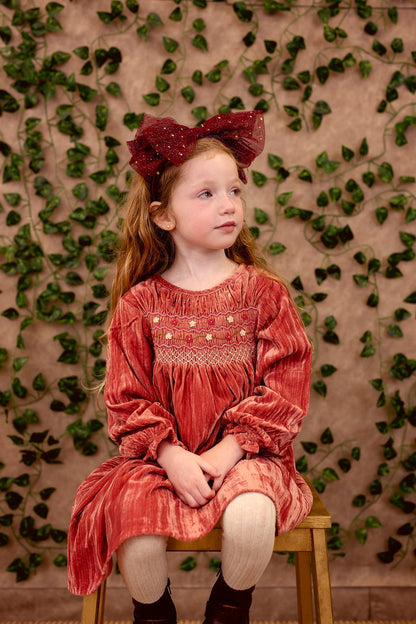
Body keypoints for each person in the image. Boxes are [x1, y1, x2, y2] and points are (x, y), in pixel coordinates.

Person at [67, 110, 313, 624]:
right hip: (159, 460)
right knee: (135, 529)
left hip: (248, 456)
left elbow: (285, 388)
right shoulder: (140, 304)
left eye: (234, 191)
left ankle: (228, 611)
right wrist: (170, 454)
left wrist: (230, 451)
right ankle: (154, 614)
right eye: (206, 194)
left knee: (251, 516)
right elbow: (126, 398)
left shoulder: (263, 294)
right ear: (163, 217)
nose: (228, 205)